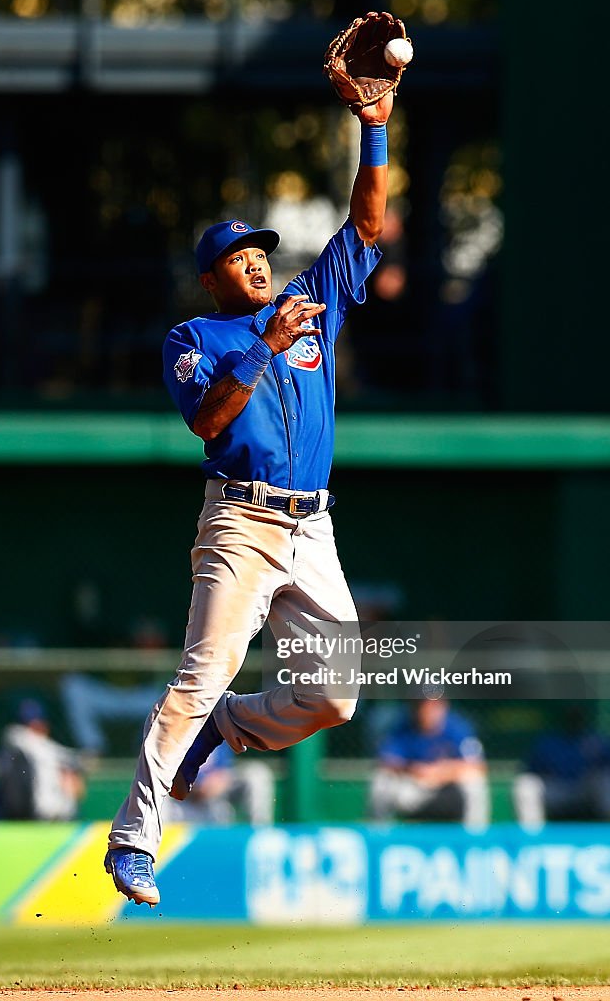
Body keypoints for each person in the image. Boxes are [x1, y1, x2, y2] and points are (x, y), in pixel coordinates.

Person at [104, 84, 393, 906]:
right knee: (197, 677)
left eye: (261, 248)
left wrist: (373, 128)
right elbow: (210, 421)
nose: (258, 258)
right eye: (239, 255)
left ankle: (228, 729)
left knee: (335, 697)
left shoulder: (310, 305)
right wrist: (263, 346)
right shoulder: (196, 338)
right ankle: (133, 843)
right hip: (240, 519)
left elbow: (365, 225)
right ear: (212, 279)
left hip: (314, 526)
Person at [369, 697, 490, 830]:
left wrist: (439, 772)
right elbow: (387, 761)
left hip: (448, 787)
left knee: (474, 781)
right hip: (413, 785)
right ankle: (378, 837)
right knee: (382, 780)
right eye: (421, 705)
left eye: (432, 704)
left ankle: (475, 839)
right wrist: (415, 770)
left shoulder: (457, 726)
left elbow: (478, 766)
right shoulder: (402, 725)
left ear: (443, 705)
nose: (426, 710)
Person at [512, 704, 610, 831]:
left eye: (578, 712)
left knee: (605, 778)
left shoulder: (600, 742)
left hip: (587, 792)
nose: (575, 716)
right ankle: (532, 840)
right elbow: (529, 772)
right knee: (526, 784)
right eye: (571, 712)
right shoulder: (548, 743)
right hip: (556, 791)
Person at [0, 699, 85, 821]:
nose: (37, 726)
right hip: (30, 819)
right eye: (31, 724)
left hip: (57, 820)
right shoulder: (16, 749)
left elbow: (77, 789)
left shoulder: (51, 750)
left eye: (39, 722)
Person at [163, 743, 275, 826]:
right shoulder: (174, 728)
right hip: (181, 798)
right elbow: (163, 771)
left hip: (216, 793)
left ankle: (257, 834)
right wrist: (194, 784)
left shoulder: (217, 722)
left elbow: (224, 766)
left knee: (257, 774)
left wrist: (220, 780)